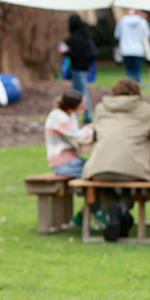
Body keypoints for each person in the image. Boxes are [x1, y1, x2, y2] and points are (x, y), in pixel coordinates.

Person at [82, 77, 150, 241]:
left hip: (98, 167)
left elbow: (95, 135)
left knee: (104, 181)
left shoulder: (102, 109)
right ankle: (122, 210)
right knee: (134, 183)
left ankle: (114, 212)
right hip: (132, 167)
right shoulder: (145, 110)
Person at [44, 90, 106, 227]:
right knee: (98, 174)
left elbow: (78, 134)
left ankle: (82, 216)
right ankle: (95, 212)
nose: (86, 108)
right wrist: (93, 127)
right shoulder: (58, 117)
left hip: (72, 159)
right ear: (72, 108)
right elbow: (80, 138)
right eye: (83, 105)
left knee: (100, 171)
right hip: (63, 163)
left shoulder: (68, 115)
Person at [63, 14, 98, 122]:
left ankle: (87, 116)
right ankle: (74, 114)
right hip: (85, 68)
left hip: (77, 68)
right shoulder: (85, 36)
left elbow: (76, 55)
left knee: (81, 92)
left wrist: (66, 52)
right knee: (77, 91)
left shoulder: (74, 39)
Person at [114, 8, 150, 83]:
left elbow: (117, 35)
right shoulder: (142, 21)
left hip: (126, 49)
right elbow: (147, 35)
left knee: (129, 70)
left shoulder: (122, 21)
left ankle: (127, 88)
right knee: (138, 71)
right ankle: (136, 88)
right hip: (139, 49)